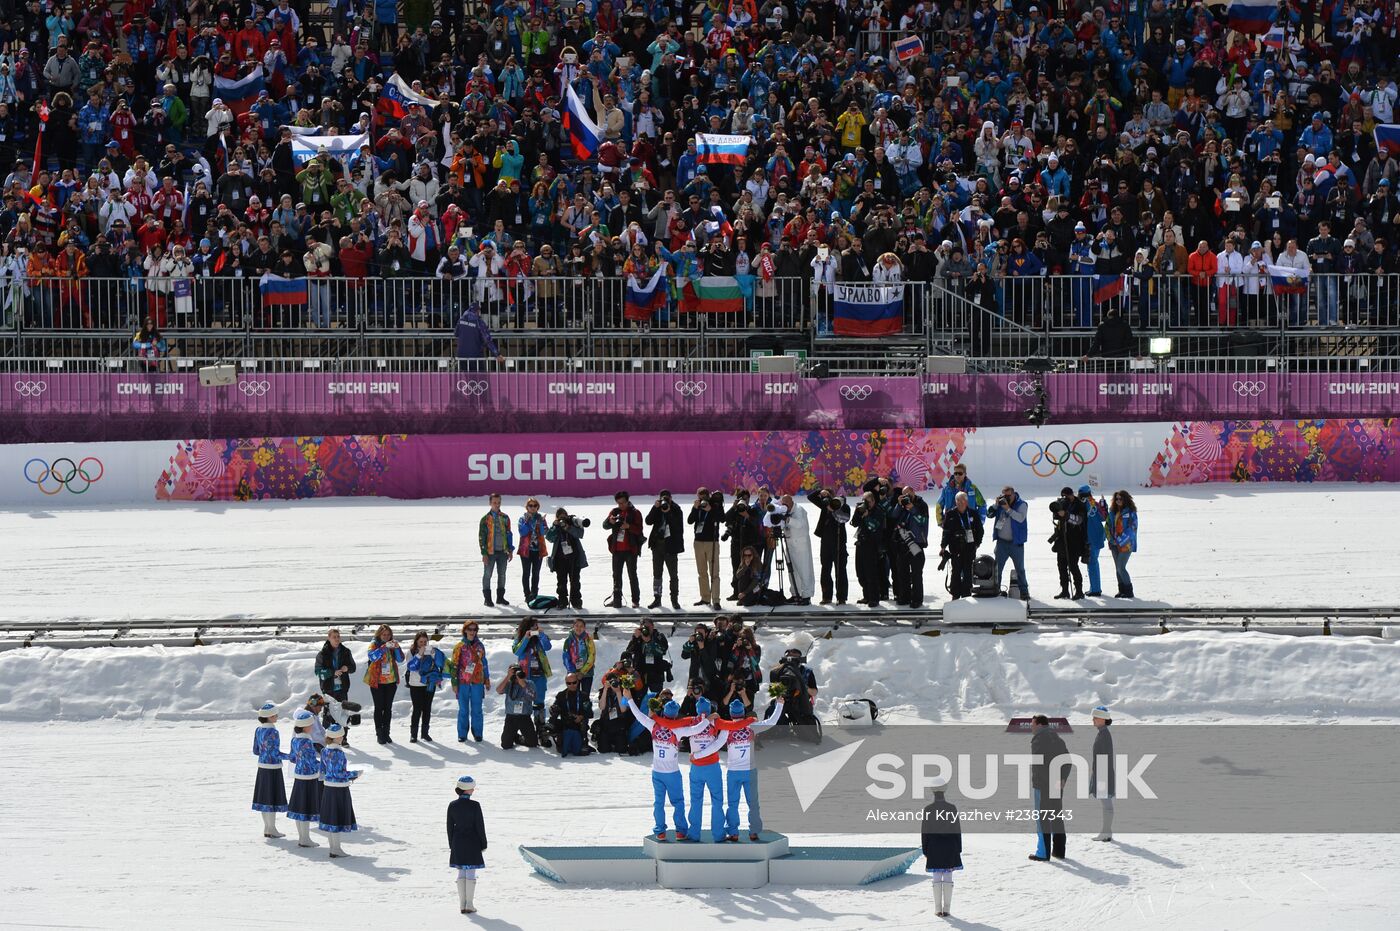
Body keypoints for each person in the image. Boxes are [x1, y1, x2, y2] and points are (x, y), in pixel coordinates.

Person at [621, 694, 710, 840]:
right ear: (675, 716)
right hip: (672, 773)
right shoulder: (678, 730)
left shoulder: (653, 725)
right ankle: (681, 831)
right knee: (678, 802)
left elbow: (638, 715)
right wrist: (707, 718)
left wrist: (630, 698)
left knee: (659, 803)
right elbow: (696, 729)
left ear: (664, 713)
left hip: (657, 772)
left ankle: (660, 831)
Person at [713, 696, 784, 841]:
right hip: (750, 771)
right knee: (753, 803)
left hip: (733, 772)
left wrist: (698, 754)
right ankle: (754, 831)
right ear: (743, 713)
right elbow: (772, 721)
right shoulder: (752, 726)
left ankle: (733, 832)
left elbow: (715, 745)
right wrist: (780, 705)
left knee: (733, 804)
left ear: (731, 714)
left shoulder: (726, 729)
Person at [682, 697, 730, 842]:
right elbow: (729, 729)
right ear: (710, 710)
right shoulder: (714, 722)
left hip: (696, 767)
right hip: (712, 767)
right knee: (717, 801)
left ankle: (694, 833)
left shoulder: (691, 722)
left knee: (696, 801)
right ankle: (719, 834)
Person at [1028, 714, 1068, 861]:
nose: (1031, 727)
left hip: (1043, 786)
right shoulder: (1057, 738)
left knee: (1043, 818)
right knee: (1057, 816)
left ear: (1039, 725)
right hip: (1057, 786)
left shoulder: (1038, 739)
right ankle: (1059, 851)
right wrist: (1062, 778)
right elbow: (1067, 760)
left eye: (1032, 724)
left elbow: (1040, 764)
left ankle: (1043, 853)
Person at [317, 723, 360, 858]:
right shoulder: (338, 753)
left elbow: (323, 771)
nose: (342, 737)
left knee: (331, 819)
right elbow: (339, 774)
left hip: (328, 788)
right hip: (339, 789)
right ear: (337, 737)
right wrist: (355, 774)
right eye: (341, 735)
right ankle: (336, 849)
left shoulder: (325, 751)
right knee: (336, 818)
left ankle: (333, 848)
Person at [921, 785, 963, 918]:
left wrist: (925, 849)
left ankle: (938, 909)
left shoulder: (928, 809)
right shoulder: (952, 808)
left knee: (937, 877)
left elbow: (925, 831)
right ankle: (947, 909)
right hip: (950, 846)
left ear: (933, 793)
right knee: (948, 876)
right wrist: (959, 848)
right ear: (945, 792)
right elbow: (957, 830)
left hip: (933, 847)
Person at [448, 775, 488, 915]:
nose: (474, 789)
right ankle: (469, 904)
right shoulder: (475, 805)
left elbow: (449, 827)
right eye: (472, 787)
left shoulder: (452, 805)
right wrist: (483, 843)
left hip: (457, 841)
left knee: (461, 871)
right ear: (468, 789)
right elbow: (480, 826)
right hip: (472, 842)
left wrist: (452, 844)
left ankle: (462, 904)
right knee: (470, 871)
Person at [446, 621, 490, 743]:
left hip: (477, 682)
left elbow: (484, 663)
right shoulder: (459, 646)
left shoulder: (480, 646)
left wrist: (487, 679)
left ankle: (478, 733)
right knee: (463, 709)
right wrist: (454, 683)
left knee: (477, 709)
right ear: (465, 630)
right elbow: (454, 666)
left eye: (474, 629)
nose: (472, 631)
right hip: (463, 683)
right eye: (469, 629)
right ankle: (462, 733)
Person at [251, 701, 290, 838]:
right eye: (275, 714)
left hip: (262, 767)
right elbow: (275, 753)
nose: (277, 716)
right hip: (273, 767)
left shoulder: (258, 730)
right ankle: (272, 828)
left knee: (264, 799)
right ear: (270, 716)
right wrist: (290, 756)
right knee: (271, 799)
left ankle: (267, 828)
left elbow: (256, 750)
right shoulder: (273, 731)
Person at [285, 708, 323, 848]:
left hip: (299, 776)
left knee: (299, 808)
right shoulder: (307, 743)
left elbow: (293, 758)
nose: (312, 727)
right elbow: (311, 762)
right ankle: (305, 838)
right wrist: (325, 765)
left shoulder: (295, 740)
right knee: (306, 808)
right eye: (311, 724)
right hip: (309, 778)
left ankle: (302, 837)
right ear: (306, 726)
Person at [511, 618, 553, 745]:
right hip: (526, 676)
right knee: (524, 702)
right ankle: (524, 730)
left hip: (539, 675)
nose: (535, 628)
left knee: (539, 703)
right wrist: (526, 638)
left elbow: (548, 646)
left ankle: (541, 730)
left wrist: (541, 635)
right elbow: (517, 651)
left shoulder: (540, 638)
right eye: (532, 627)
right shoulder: (519, 638)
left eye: (536, 626)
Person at [806, 487, 850, 605]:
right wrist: (820, 492)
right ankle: (827, 596)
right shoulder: (825, 505)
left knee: (840, 570)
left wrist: (834, 509)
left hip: (839, 542)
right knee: (825, 569)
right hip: (825, 541)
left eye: (830, 496)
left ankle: (841, 597)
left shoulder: (843, 506)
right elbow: (810, 497)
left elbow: (846, 518)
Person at [602, 490, 644, 608]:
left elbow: (639, 530)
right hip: (617, 550)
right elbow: (604, 526)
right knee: (616, 576)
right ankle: (617, 599)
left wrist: (628, 526)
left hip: (631, 549)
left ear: (628, 501)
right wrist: (609, 521)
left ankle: (635, 600)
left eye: (623, 503)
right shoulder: (614, 512)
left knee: (632, 575)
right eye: (619, 503)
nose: (621, 505)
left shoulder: (635, 513)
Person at [890, 487, 930, 608]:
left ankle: (917, 599)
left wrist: (912, 508)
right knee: (903, 572)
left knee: (916, 573)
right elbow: (893, 516)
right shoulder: (902, 505)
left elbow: (922, 521)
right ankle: (905, 597)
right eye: (904, 494)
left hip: (916, 543)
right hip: (902, 543)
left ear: (913, 491)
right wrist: (898, 504)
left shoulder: (922, 504)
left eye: (908, 493)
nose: (907, 496)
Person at [645, 488, 685, 610]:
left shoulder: (676, 509)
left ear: (671, 498)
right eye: (663, 498)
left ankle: (674, 599)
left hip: (671, 546)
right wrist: (654, 508)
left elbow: (678, 527)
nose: (665, 501)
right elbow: (648, 521)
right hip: (657, 545)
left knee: (673, 575)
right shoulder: (657, 508)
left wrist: (668, 512)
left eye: (667, 498)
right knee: (657, 574)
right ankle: (657, 598)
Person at [987, 485, 1030, 600]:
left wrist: (1008, 509)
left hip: (1016, 543)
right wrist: (996, 505)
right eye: (1004, 495)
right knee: (997, 569)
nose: (1006, 498)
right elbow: (989, 514)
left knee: (1020, 569)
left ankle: (1024, 591)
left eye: (1008, 495)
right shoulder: (1001, 504)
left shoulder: (1022, 504)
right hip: (1002, 543)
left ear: (1014, 494)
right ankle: (995, 589)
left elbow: (1020, 518)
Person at [363, 625, 404, 745]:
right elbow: (372, 656)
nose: (386, 637)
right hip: (377, 682)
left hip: (390, 681)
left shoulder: (392, 644)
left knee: (388, 708)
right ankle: (379, 733)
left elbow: (401, 659)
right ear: (379, 635)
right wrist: (383, 647)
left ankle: (387, 732)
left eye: (388, 635)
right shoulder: (374, 644)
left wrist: (396, 648)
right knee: (379, 707)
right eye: (384, 635)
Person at [939, 492, 984, 599]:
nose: (960, 503)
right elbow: (946, 532)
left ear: (966, 501)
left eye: (962, 500)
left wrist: (977, 544)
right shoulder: (950, 514)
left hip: (969, 548)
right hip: (955, 549)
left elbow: (980, 531)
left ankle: (966, 594)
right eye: (958, 501)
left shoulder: (973, 513)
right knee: (956, 572)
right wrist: (943, 546)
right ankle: (955, 594)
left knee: (968, 572)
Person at [774, 494, 816, 605]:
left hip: (801, 546)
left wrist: (787, 519)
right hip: (789, 544)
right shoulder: (784, 511)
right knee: (792, 571)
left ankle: (806, 595)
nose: (784, 506)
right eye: (783, 504)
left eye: (786, 503)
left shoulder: (799, 510)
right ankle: (795, 594)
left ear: (792, 502)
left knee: (804, 571)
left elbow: (799, 524)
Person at [406, 630, 447, 743]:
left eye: (425, 641)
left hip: (430, 683)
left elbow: (440, 663)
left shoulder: (432, 651)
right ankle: (413, 734)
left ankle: (425, 733)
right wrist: (419, 655)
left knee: (427, 708)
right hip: (416, 684)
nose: (423, 644)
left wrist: (434, 653)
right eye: (420, 642)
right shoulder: (411, 652)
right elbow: (411, 667)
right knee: (417, 709)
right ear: (416, 642)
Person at [688, 487, 725, 610]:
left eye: (705, 495)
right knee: (702, 572)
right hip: (698, 542)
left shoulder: (715, 504)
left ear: (708, 495)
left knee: (714, 572)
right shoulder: (697, 506)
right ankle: (705, 597)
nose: (702, 498)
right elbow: (689, 521)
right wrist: (695, 508)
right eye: (700, 496)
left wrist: (711, 510)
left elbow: (722, 519)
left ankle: (716, 600)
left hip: (712, 542)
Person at [1048, 486, 1087, 600]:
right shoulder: (1062, 503)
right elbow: (1057, 517)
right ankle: (1065, 590)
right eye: (1063, 496)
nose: (1065, 498)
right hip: (1062, 539)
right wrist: (1057, 512)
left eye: (1067, 496)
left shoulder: (1080, 504)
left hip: (1075, 540)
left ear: (1072, 494)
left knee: (1073, 566)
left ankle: (1079, 591)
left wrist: (1066, 515)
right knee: (1061, 566)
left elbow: (1079, 520)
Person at [850, 491, 887, 606]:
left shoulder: (878, 511)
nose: (866, 503)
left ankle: (874, 598)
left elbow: (874, 526)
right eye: (864, 501)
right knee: (860, 573)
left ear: (873, 501)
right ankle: (866, 596)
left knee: (871, 573)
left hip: (872, 545)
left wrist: (867, 516)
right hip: (861, 543)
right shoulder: (861, 509)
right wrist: (858, 512)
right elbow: (854, 523)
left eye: (868, 501)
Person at [545, 508, 587, 609]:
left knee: (575, 581)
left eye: (564, 515)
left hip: (574, 558)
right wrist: (555, 526)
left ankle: (576, 600)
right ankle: (562, 600)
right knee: (561, 581)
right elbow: (549, 538)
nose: (562, 518)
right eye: (560, 516)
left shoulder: (573, 523)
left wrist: (568, 527)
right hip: (560, 559)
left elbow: (580, 534)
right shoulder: (556, 526)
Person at [479, 493, 514, 607]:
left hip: (503, 551)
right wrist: (484, 553)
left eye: (498, 502)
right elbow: (482, 537)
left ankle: (500, 597)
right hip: (490, 552)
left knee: (502, 574)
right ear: (490, 503)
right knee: (488, 574)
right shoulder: (485, 519)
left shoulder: (505, 517)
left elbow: (509, 534)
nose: (497, 505)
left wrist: (510, 549)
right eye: (494, 502)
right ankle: (487, 598)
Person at [495, 663, 539, 749]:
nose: (515, 675)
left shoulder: (529, 683)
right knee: (506, 745)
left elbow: (533, 697)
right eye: (513, 672)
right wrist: (508, 676)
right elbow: (498, 690)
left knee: (533, 743)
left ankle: (518, 738)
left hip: (524, 717)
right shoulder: (508, 684)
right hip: (511, 717)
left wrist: (523, 684)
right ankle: (512, 735)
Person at [550, 672, 593, 757]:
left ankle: (583, 740)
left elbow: (589, 713)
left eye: (574, 682)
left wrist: (581, 716)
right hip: (565, 725)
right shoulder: (561, 695)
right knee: (561, 749)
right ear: (566, 683)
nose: (572, 685)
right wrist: (552, 709)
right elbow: (554, 709)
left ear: (578, 682)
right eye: (569, 683)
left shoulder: (583, 695)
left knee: (581, 751)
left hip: (579, 725)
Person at [314, 628, 356, 715]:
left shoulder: (346, 651)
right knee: (329, 716)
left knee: (343, 716)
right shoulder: (322, 654)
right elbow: (318, 672)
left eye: (338, 636)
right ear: (329, 638)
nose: (337, 639)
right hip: (328, 690)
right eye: (334, 637)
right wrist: (332, 672)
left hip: (342, 689)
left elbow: (353, 668)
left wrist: (347, 668)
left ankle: (343, 729)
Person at [1089, 705, 1115, 842]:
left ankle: (1106, 832)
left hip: (1103, 773)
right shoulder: (1103, 733)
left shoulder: (1104, 734)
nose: (1093, 719)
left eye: (1095, 717)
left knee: (1106, 804)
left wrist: (1099, 775)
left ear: (1103, 719)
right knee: (1106, 803)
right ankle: (1107, 832)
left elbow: (1102, 756)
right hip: (1103, 772)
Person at [516, 496, 549, 603]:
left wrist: (542, 524)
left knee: (536, 573)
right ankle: (527, 594)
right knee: (526, 573)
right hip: (526, 550)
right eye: (531, 506)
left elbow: (545, 533)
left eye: (535, 506)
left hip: (538, 550)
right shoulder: (523, 518)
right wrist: (527, 521)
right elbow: (522, 532)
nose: (533, 508)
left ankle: (534, 593)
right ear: (527, 507)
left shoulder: (540, 518)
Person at [625, 618, 671, 693]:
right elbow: (629, 651)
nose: (645, 629)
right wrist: (635, 638)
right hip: (640, 671)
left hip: (655, 671)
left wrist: (650, 642)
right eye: (643, 627)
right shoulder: (638, 637)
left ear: (652, 626)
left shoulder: (659, 636)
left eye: (647, 627)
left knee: (656, 697)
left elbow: (663, 650)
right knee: (639, 697)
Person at [455, 302, 503, 371]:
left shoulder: (461, 320)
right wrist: (497, 354)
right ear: (478, 311)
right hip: (475, 355)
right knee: (480, 379)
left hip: (461, 355)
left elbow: (456, 333)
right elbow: (487, 340)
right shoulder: (479, 322)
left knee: (467, 379)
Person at [1079, 486, 1109, 596]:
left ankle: (1095, 589)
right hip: (1098, 536)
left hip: (1090, 537)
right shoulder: (1094, 503)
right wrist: (1104, 506)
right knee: (1093, 562)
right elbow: (1104, 517)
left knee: (1092, 563)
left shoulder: (1081, 505)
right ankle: (1095, 587)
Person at [1109, 491, 1139, 598]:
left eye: (1120, 499)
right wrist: (1110, 539)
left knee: (1121, 567)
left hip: (1126, 545)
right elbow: (1108, 526)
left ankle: (1129, 591)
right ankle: (1121, 590)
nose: (1118, 501)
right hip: (1114, 544)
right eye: (1116, 499)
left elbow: (1131, 530)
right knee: (1117, 568)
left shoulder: (1131, 513)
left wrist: (1119, 541)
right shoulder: (1113, 512)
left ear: (1125, 500)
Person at [561, 617, 596, 695]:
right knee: (573, 695)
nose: (579, 628)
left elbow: (592, 656)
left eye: (581, 626)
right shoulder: (568, 640)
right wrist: (573, 672)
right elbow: (566, 657)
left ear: (584, 628)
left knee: (585, 695)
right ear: (573, 627)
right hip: (573, 674)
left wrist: (582, 672)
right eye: (577, 625)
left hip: (587, 673)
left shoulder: (589, 640)